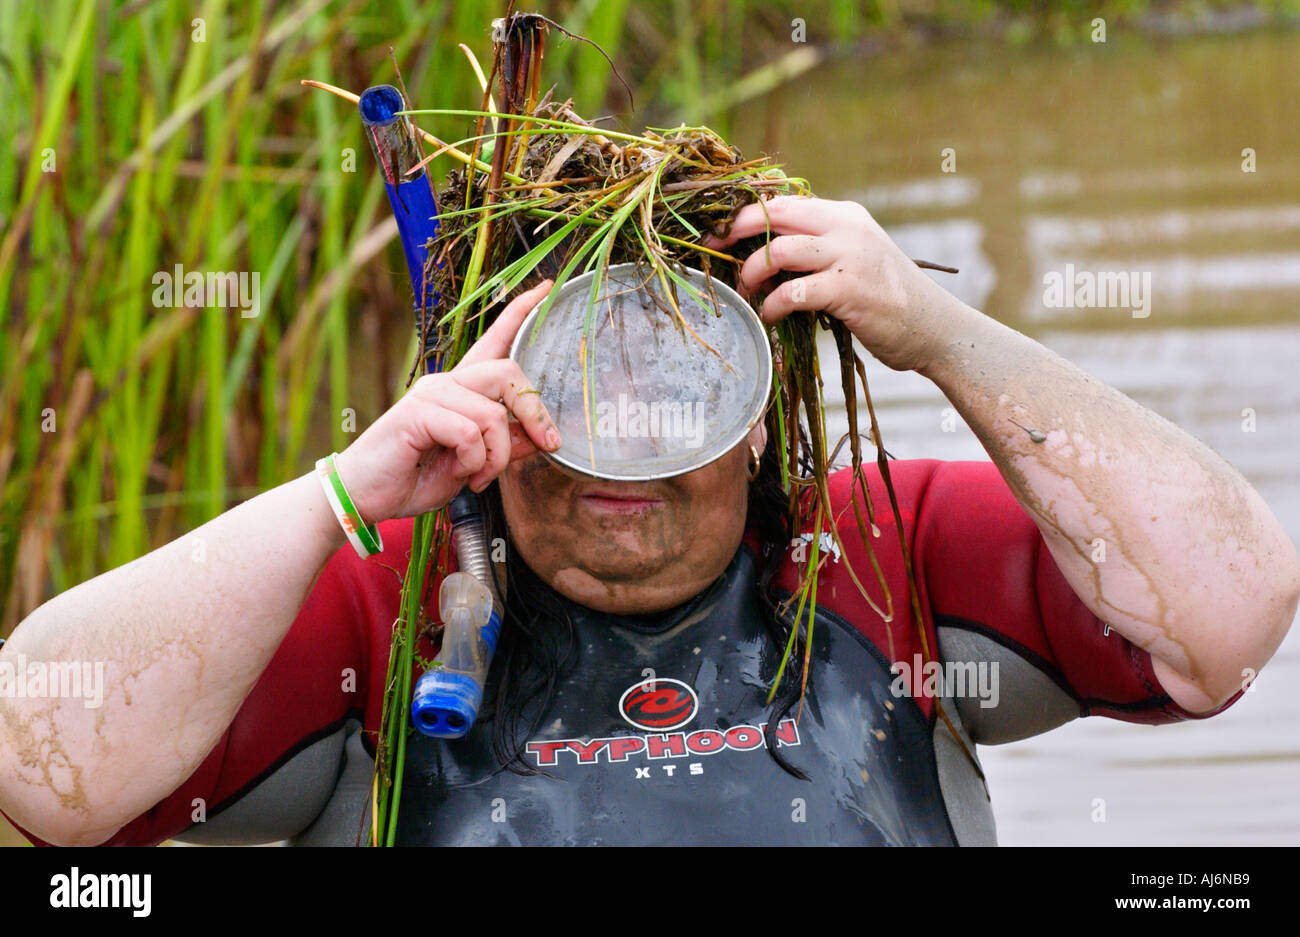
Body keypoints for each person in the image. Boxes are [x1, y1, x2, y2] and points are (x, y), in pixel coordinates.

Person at [1, 197, 1296, 846]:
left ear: (758, 405)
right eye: (564, 390)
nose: (621, 454)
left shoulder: (875, 554)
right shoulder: (382, 603)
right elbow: (36, 765)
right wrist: (339, 492)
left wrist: (938, 329)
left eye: (676, 384)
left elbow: (1231, 617)